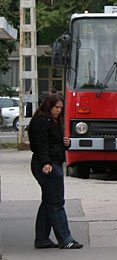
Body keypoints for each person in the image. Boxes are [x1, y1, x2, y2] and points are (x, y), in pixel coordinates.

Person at [28, 93, 82, 249]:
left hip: (51, 163)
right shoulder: (41, 122)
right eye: (56, 107)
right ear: (49, 106)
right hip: (48, 164)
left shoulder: (50, 120)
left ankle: (42, 239)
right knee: (56, 202)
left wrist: (65, 143)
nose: (59, 110)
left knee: (48, 201)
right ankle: (65, 239)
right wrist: (46, 162)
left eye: (60, 108)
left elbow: (52, 143)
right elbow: (41, 144)